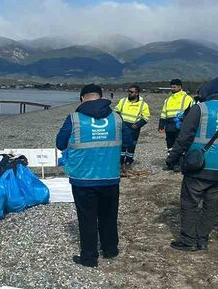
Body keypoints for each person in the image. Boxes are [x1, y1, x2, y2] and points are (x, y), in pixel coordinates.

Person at [166, 76, 218, 251]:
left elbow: (184, 137)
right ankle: (202, 239)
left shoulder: (200, 109)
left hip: (198, 165)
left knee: (190, 203)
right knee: (211, 205)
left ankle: (188, 240)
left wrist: (172, 157)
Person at [55, 84, 122, 268]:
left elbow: (60, 143)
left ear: (82, 99)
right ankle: (110, 249)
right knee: (109, 214)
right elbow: (127, 140)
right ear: (101, 97)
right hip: (110, 176)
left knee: (87, 218)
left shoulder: (74, 119)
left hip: (83, 179)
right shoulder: (116, 118)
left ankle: (89, 257)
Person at [114, 84, 150, 173]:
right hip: (122, 127)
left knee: (131, 146)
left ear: (137, 93)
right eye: (129, 91)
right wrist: (119, 121)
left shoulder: (143, 104)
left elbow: (146, 117)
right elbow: (116, 111)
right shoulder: (123, 101)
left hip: (134, 129)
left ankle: (128, 163)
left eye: (132, 92)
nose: (129, 93)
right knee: (121, 146)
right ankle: (120, 163)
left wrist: (138, 125)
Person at [159, 79, 194, 170]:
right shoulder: (168, 100)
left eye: (174, 87)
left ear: (180, 87)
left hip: (181, 125)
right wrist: (161, 125)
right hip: (169, 126)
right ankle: (171, 163)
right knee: (170, 145)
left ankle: (179, 163)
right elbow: (164, 113)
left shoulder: (187, 98)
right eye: (171, 87)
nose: (172, 89)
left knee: (180, 144)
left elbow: (192, 113)